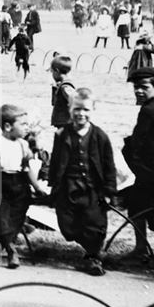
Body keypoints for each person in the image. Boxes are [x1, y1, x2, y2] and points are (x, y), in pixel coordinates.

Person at [49, 88, 118, 275]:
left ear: (93, 110)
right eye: (77, 109)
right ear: (70, 109)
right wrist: (51, 183)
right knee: (68, 227)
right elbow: (55, 161)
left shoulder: (100, 136)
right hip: (68, 186)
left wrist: (110, 191)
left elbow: (108, 165)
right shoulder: (62, 134)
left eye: (86, 109)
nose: (81, 113)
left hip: (92, 189)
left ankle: (93, 256)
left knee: (94, 223)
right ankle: (88, 245)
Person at [120, 67, 154, 265]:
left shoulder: (150, 110)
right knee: (139, 206)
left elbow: (137, 142)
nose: (138, 91)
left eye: (144, 87)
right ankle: (145, 248)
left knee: (152, 210)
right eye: (136, 87)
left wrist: (128, 148)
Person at [0, 105, 48, 269]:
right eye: (23, 124)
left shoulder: (23, 145)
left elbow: (27, 169)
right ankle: (11, 250)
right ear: (7, 127)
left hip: (19, 184)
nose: (27, 127)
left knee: (18, 214)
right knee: (1, 214)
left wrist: (37, 187)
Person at [49, 55, 75, 130]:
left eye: (52, 72)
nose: (52, 75)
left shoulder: (65, 86)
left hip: (65, 123)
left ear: (57, 71)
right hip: (63, 123)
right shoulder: (62, 85)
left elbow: (75, 100)